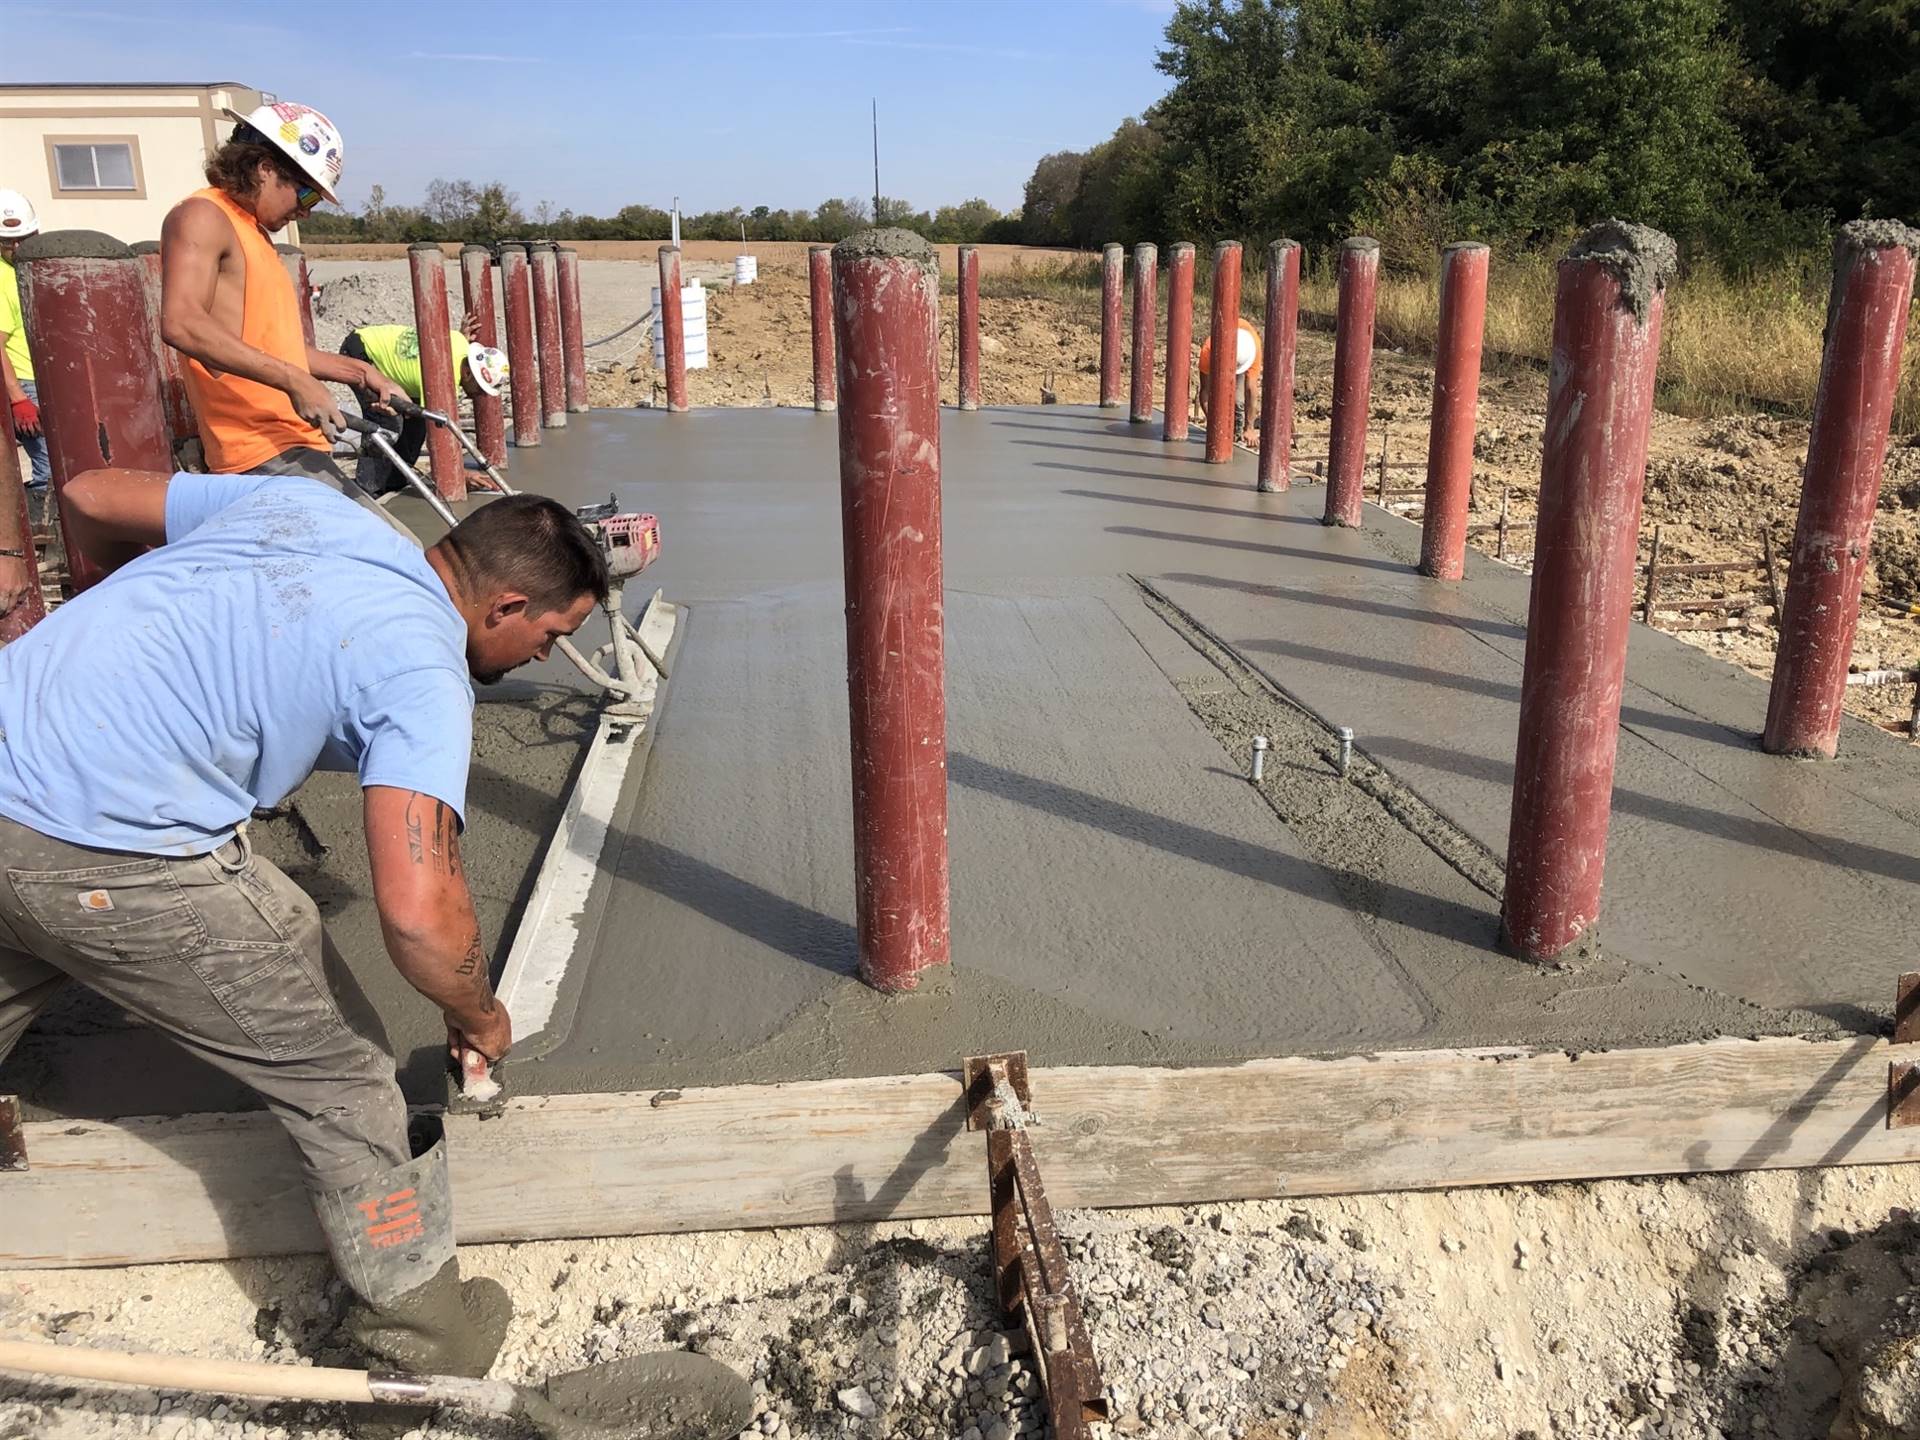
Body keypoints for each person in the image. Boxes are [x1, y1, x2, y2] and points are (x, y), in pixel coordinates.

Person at [0, 468, 607, 1385]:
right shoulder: (421, 667)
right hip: (107, 851)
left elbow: (86, 496)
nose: (546, 657)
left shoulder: (307, 504)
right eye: (551, 636)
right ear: (508, 602)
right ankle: (422, 1338)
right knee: (349, 1079)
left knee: (228, 913)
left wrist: (162, 642)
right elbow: (417, 914)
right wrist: (477, 1013)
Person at [159, 100, 407, 496]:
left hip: (295, 445)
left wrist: (361, 373)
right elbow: (182, 322)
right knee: (394, 551)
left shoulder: (253, 233)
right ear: (265, 168)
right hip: (261, 453)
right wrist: (293, 380)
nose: (305, 213)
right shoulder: (202, 216)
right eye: (306, 195)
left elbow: (279, 348)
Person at [340, 316, 509, 495]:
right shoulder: (444, 381)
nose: (481, 395)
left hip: (387, 357)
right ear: (467, 372)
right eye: (481, 388)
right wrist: (458, 474)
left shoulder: (461, 344)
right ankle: (367, 490)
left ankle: (393, 484)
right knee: (386, 424)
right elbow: (438, 436)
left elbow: (428, 422)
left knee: (416, 425)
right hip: (362, 353)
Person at [0, 190, 48, 524]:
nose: (16, 248)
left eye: (24, 239)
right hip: (25, 385)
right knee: (49, 469)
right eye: (7, 242)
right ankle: (48, 544)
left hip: (40, 379)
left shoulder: (27, 269)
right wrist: (18, 398)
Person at [1198, 316, 1264, 446]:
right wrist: (1213, 422)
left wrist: (1250, 428)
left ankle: (1238, 432)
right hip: (1220, 357)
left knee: (1238, 400)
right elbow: (1205, 391)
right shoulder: (1208, 350)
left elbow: (1251, 389)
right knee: (1219, 395)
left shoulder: (1252, 349)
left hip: (1241, 356)